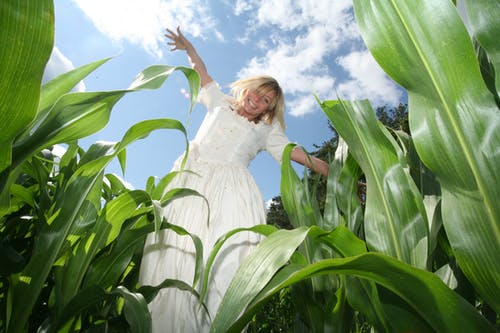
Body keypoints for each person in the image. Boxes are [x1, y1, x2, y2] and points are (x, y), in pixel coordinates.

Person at [139, 27, 329, 332]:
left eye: (267, 100)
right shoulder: (218, 101)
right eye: (258, 92)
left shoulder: (267, 132)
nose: (259, 100)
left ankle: (215, 324)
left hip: (230, 194)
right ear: (246, 89)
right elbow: (200, 70)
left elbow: (300, 155)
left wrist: (336, 171)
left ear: (269, 109)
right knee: (175, 249)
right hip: (191, 182)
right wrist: (188, 46)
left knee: (222, 260)